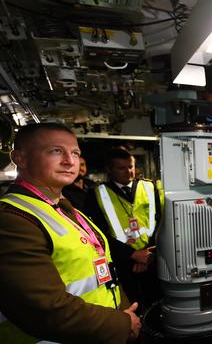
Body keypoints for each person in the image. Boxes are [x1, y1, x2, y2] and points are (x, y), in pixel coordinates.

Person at [0, 122, 140, 343]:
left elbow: (102, 269)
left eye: (75, 153)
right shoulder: (12, 219)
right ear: (20, 158)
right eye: (56, 151)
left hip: (99, 331)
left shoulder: (66, 209)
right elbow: (45, 308)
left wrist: (123, 311)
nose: (69, 161)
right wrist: (121, 323)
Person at [86, 147, 162, 312]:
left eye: (131, 166)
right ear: (109, 170)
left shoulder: (149, 187)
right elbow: (99, 233)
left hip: (151, 257)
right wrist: (132, 255)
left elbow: (160, 221)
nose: (128, 172)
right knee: (132, 305)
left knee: (156, 303)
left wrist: (149, 253)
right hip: (122, 262)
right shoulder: (96, 194)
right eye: (121, 168)